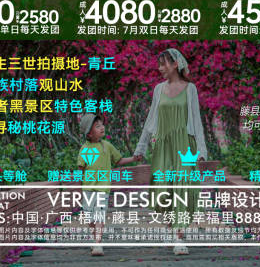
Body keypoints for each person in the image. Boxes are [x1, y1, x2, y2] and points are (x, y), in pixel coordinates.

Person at [133, 48, 207, 255]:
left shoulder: (190, 89)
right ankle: (169, 226)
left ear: (175, 64)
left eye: (164, 63)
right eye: (159, 64)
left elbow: (197, 120)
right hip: (163, 144)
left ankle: (179, 235)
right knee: (163, 187)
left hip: (185, 144)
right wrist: (141, 147)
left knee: (182, 186)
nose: (160, 68)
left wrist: (201, 150)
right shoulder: (158, 89)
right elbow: (150, 121)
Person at [78, 112, 137, 255]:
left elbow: (118, 161)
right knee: (89, 216)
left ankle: (98, 243)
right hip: (88, 189)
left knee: (99, 214)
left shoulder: (107, 146)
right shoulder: (84, 149)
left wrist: (133, 158)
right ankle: (95, 239)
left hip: (103, 188)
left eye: (101, 125)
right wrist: (79, 189)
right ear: (89, 134)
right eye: (97, 126)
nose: (102, 127)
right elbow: (81, 169)